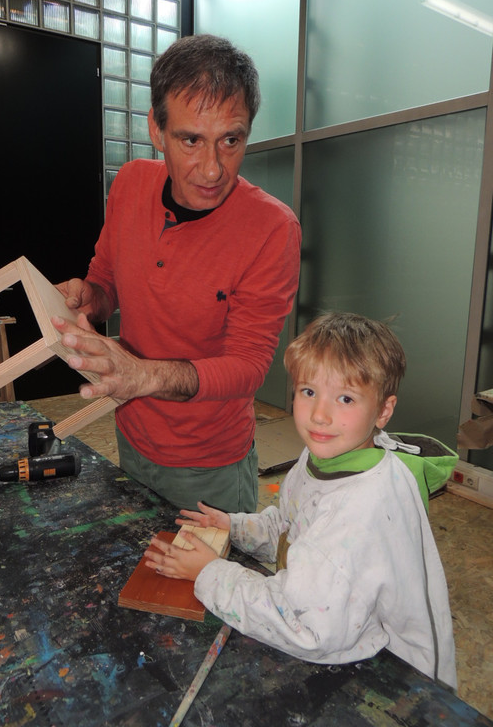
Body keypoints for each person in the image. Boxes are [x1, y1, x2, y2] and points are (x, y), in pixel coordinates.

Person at [53, 34, 301, 514]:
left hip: (210, 466)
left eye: (231, 140)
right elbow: (106, 278)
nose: (212, 169)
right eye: (191, 140)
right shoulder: (130, 184)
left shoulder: (273, 229)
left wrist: (142, 375)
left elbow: (248, 366)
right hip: (131, 435)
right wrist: (90, 296)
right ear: (156, 129)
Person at [144, 312, 458, 688]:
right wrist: (234, 527)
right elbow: (291, 525)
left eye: (345, 398)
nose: (320, 416)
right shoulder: (325, 455)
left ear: (383, 411)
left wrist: (210, 573)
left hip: (399, 679)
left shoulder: (359, 508)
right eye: (308, 392)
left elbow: (305, 627)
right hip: (345, 628)